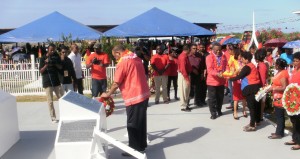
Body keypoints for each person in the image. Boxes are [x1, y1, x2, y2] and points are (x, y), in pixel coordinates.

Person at [101, 45, 150, 156]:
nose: (115, 59)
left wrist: (108, 94)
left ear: (118, 53)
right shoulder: (135, 57)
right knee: (141, 122)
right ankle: (141, 146)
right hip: (143, 94)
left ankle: (134, 149)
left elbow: (116, 82)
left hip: (134, 96)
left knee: (132, 124)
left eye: (115, 56)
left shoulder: (123, 62)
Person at [229, 51, 261, 131]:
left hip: (250, 88)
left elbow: (239, 76)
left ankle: (252, 125)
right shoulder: (252, 65)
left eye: (242, 58)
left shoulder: (247, 67)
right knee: (255, 106)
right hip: (255, 87)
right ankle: (256, 121)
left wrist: (229, 78)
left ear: (246, 59)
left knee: (251, 107)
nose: (241, 60)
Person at [39, 44, 62, 123]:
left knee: (62, 98)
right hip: (47, 82)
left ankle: (64, 114)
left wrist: (54, 63)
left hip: (56, 81)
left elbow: (60, 67)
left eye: (53, 50)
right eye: (51, 50)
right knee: (50, 101)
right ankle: (53, 117)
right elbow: (41, 71)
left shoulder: (56, 57)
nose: (52, 51)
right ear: (47, 50)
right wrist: (46, 64)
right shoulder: (42, 58)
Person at [266, 58, 289, 139]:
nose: (274, 65)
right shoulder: (280, 72)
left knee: (280, 116)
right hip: (276, 97)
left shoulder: (283, 74)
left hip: (280, 97)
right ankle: (279, 131)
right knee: (278, 115)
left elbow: (284, 87)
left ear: (278, 65)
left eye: (275, 64)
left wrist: (273, 88)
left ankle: (279, 133)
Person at [206, 42, 227, 119]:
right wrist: (217, 73)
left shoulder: (224, 57)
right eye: (216, 50)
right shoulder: (209, 57)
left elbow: (226, 66)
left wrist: (226, 72)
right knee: (212, 98)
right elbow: (209, 70)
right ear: (212, 50)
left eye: (219, 50)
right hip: (212, 82)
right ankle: (213, 113)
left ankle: (219, 110)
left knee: (220, 97)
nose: (218, 52)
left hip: (221, 81)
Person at [284, 52, 300, 150]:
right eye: (294, 61)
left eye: (297, 61)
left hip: (299, 99)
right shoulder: (294, 70)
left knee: (298, 121)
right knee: (293, 120)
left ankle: (299, 141)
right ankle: (294, 138)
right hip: (292, 98)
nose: (295, 63)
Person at [229, 49, 247, 120]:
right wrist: (239, 69)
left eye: (241, 55)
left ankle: (244, 110)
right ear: (236, 55)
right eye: (239, 55)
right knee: (236, 97)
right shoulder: (234, 63)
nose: (240, 57)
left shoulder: (244, 63)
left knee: (244, 96)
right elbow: (233, 73)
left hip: (243, 81)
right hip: (236, 82)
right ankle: (235, 112)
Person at [255, 49, 269, 121]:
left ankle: (260, 116)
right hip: (261, 84)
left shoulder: (262, 65)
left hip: (261, 85)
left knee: (261, 102)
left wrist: (262, 88)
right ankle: (260, 115)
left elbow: (263, 78)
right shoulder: (261, 64)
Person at [178, 45, 192, 112]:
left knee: (186, 91)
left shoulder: (185, 56)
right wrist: (187, 79)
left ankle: (185, 105)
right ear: (188, 49)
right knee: (183, 91)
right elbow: (183, 69)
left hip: (185, 74)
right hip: (183, 75)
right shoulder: (183, 57)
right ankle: (183, 106)